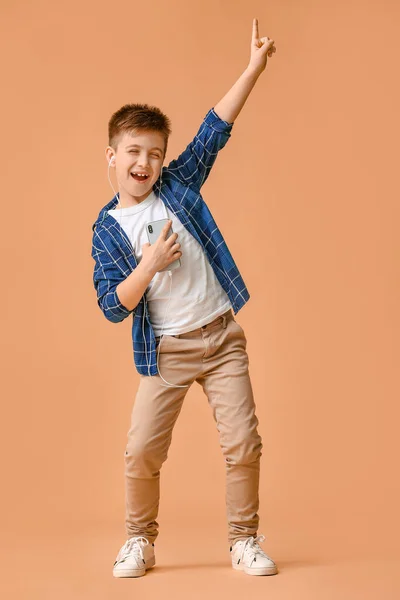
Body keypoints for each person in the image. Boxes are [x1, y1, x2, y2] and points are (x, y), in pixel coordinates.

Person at [91, 18, 278, 578]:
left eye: (153, 153)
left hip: (221, 338)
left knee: (244, 441)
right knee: (141, 452)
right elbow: (111, 305)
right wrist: (149, 265)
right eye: (132, 152)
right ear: (111, 155)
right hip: (165, 352)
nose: (143, 163)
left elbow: (214, 129)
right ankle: (138, 542)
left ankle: (244, 539)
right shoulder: (106, 231)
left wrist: (252, 68)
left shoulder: (177, 186)